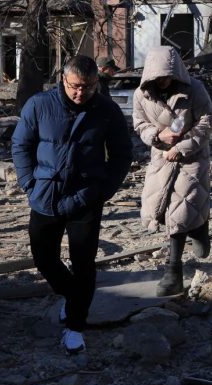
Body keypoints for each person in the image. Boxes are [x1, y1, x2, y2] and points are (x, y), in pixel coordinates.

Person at [11, 55, 132, 354]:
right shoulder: (39, 105)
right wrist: (29, 183)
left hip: (86, 197)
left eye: (89, 87)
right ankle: (72, 297)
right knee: (44, 258)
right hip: (45, 194)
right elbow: (21, 145)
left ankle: (76, 327)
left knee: (83, 264)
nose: (81, 93)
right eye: (76, 86)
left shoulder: (107, 111)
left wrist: (103, 191)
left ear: (96, 83)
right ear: (63, 80)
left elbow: (121, 155)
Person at [133, 46, 212, 297]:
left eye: (167, 76)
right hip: (161, 156)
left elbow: (207, 121)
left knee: (179, 211)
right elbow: (139, 123)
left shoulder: (195, 90)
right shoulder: (142, 95)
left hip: (192, 157)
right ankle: (197, 226)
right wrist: (157, 135)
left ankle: (173, 272)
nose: (163, 81)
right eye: (158, 78)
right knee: (158, 209)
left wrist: (182, 146)